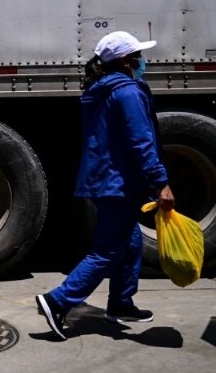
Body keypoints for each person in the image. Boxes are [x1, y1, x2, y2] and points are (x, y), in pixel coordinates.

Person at [36, 31, 175, 340]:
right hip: (119, 182)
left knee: (131, 241)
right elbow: (141, 142)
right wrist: (160, 183)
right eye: (138, 56)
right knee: (108, 251)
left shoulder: (103, 89)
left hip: (107, 180)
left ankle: (121, 302)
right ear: (126, 61)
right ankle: (57, 301)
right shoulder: (128, 92)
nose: (142, 62)